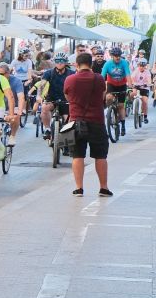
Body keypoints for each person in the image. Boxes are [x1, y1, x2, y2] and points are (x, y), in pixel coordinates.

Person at [65, 52, 111, 196]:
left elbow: (68, 97)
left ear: (77, 65)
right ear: (91, 64)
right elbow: (103, 95)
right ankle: (103, 187)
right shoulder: (99, 79)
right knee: (101, 156)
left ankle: (79, 188)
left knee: (77, 155)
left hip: (77, 121)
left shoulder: (70, 79)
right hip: (97, 121)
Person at [39, 52, 75, 140]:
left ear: (66, 62)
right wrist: (39, 96)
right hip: (52, 98)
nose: (59, 63)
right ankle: (47, 129)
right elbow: (42, 84)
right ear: (54, 62)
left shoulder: (72, 73)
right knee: (44, 107)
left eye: (62, 61)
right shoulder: (49, 73)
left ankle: (67, 141)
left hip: (66, 99)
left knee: (68, 121)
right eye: (57, 61)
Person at [101, 47, 131, 136]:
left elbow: (128, 75)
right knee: (109, 97)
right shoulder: (107, 64)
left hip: (122, 85)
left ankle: (123, 126)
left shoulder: (124, 63)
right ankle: (111, 110)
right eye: (115, 56)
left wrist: (130, 85)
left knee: (121, 106)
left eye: (119, 56)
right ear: (112, 56)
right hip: (111, 85)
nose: (117, 57)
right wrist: (100, 86)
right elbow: (102, 77)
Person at [133, 57, 151, 123]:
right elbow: (132, 78)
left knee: (145, 102)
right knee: (133, 94)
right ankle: (133, 107)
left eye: (143, 66)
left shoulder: (147, 72)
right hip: (136, 86)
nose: (141, 67)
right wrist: (131, 83)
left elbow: (149, 81)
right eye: (140, 66)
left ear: (145, 66)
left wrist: (148, 84)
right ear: (138, 65)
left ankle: (145, 117)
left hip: (144, 88)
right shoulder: (136, 70)